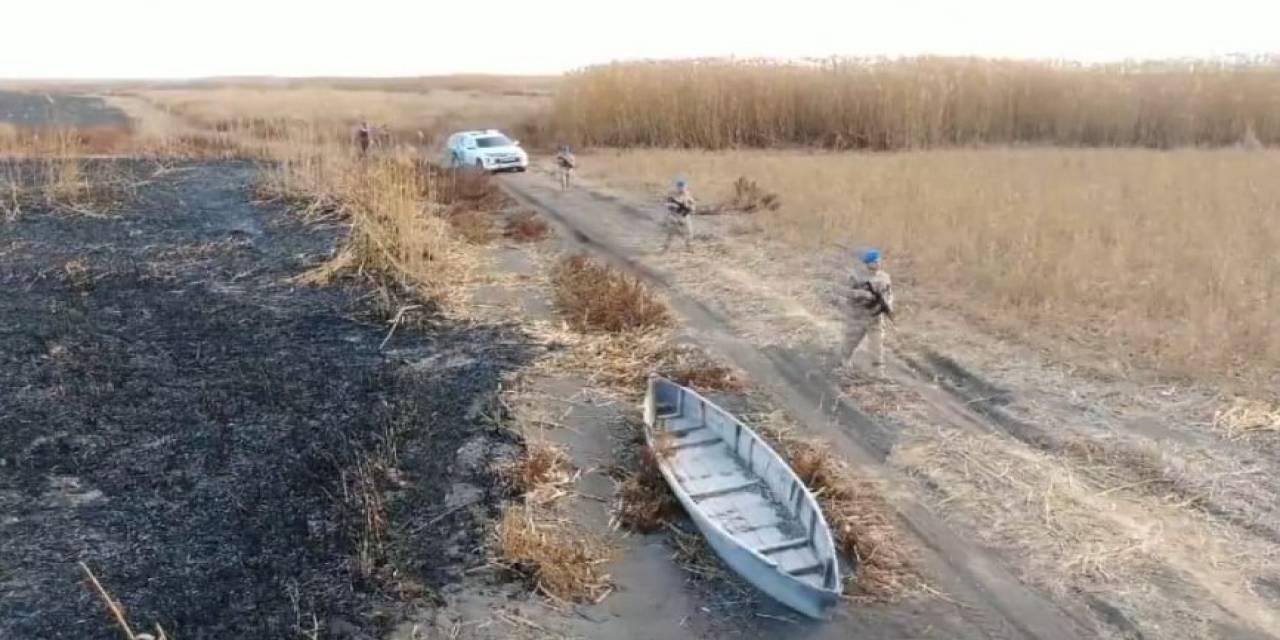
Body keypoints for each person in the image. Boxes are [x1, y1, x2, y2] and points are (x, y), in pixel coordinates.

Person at [841, 248, 894, 373]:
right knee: (852, 339)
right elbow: (845, 291)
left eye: (879, 261)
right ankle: (845, 357)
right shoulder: (856, 276)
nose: (877, 263)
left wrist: (888, 304)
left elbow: (889, 293)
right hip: (859, 315)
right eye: (874, 261)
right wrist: (861, 294)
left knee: (877, 344)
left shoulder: (884, 277)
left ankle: (878, 370)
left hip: (875, 316)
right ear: (867, 263)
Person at [661, 178, 696, 252]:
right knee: (671, 233)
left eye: (683, 186)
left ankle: (689, 247)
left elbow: (693, 205)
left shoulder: (687, 195)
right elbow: (665, 204)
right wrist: (672, 205)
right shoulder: (672, 195)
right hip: (675, 216)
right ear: (677, 187)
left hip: (685, 216)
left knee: (689, 232)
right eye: (679, 186)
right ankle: (666, 248)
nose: (681, 188)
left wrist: (690, 208)